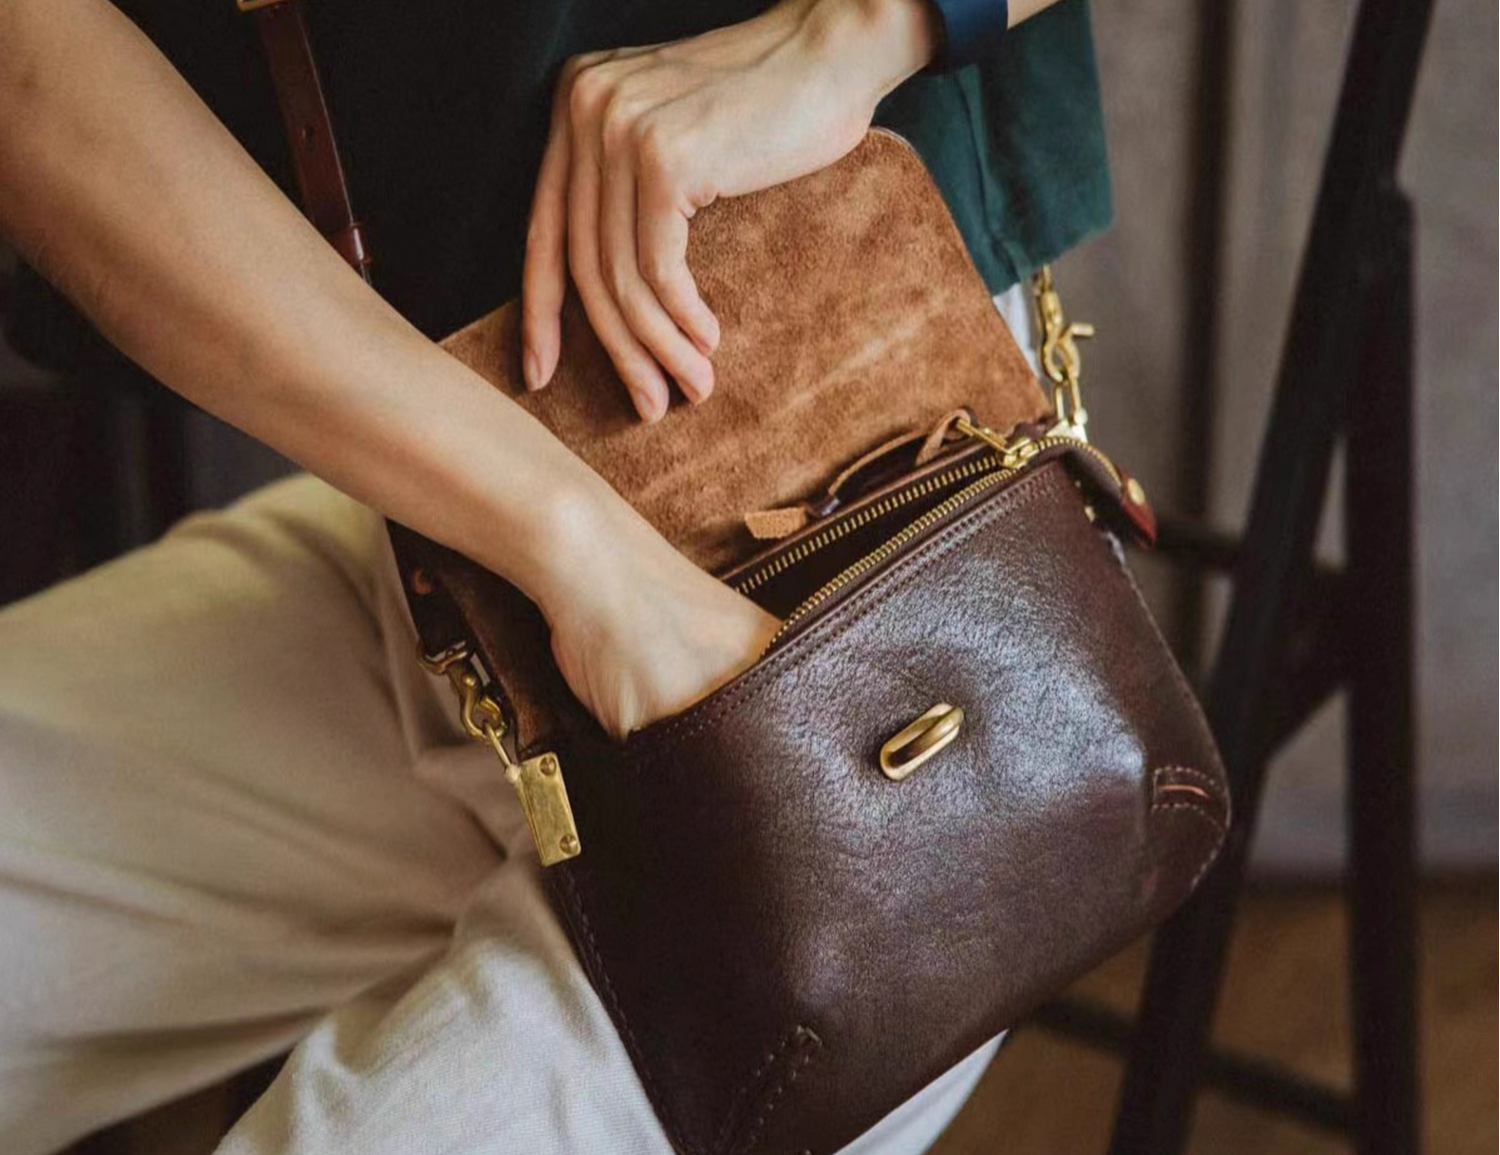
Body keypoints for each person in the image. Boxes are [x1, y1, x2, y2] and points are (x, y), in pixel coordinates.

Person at [0, 0, 1111, 1151]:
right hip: (442, 530)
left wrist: (862, 29)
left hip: (869, 510)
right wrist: (576, 547)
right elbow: (32, 75)